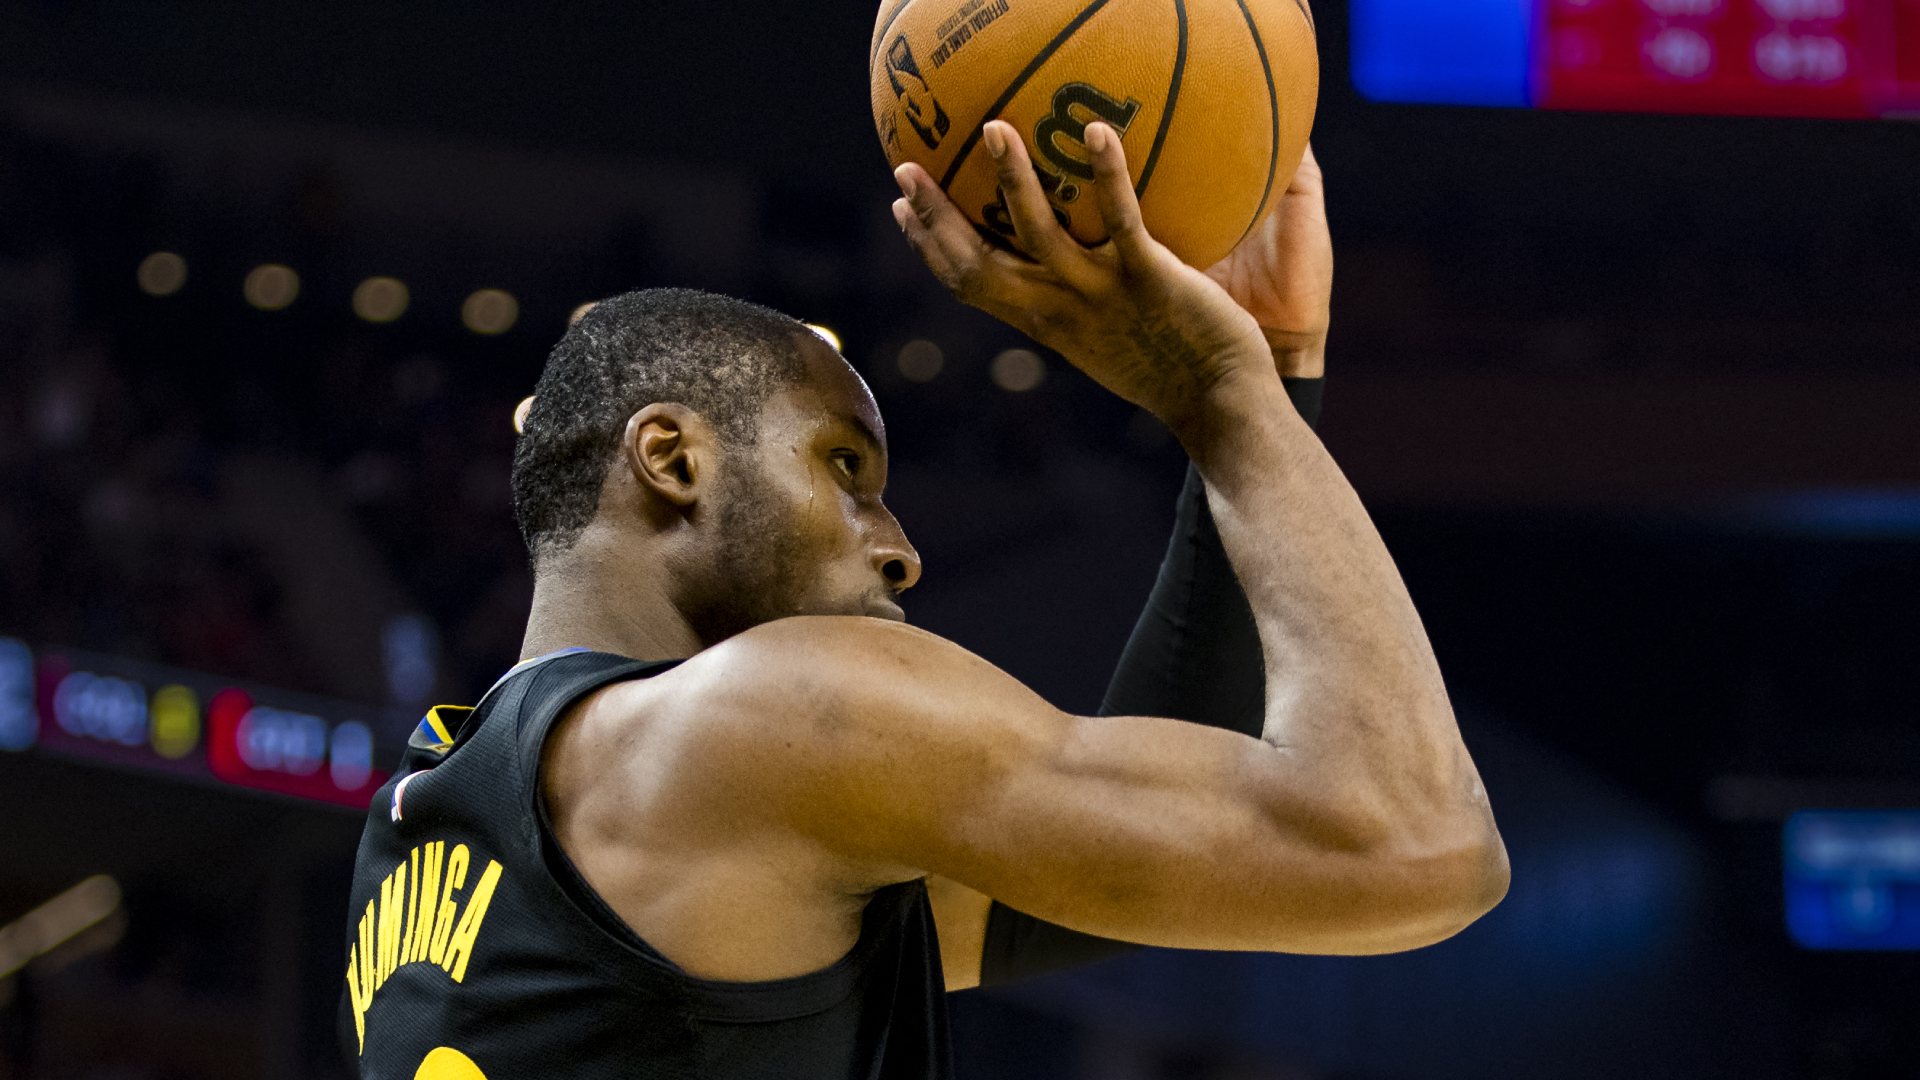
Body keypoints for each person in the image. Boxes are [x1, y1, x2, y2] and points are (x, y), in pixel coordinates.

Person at [342, 121, 1508, 1080]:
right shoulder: (764, 719)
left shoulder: (425, 827)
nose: (898, 550)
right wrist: (1225, 392)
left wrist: (1261, 382)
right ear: (673, 459)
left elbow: (1102, 881)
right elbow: (1416, 847)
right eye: (845, 470)